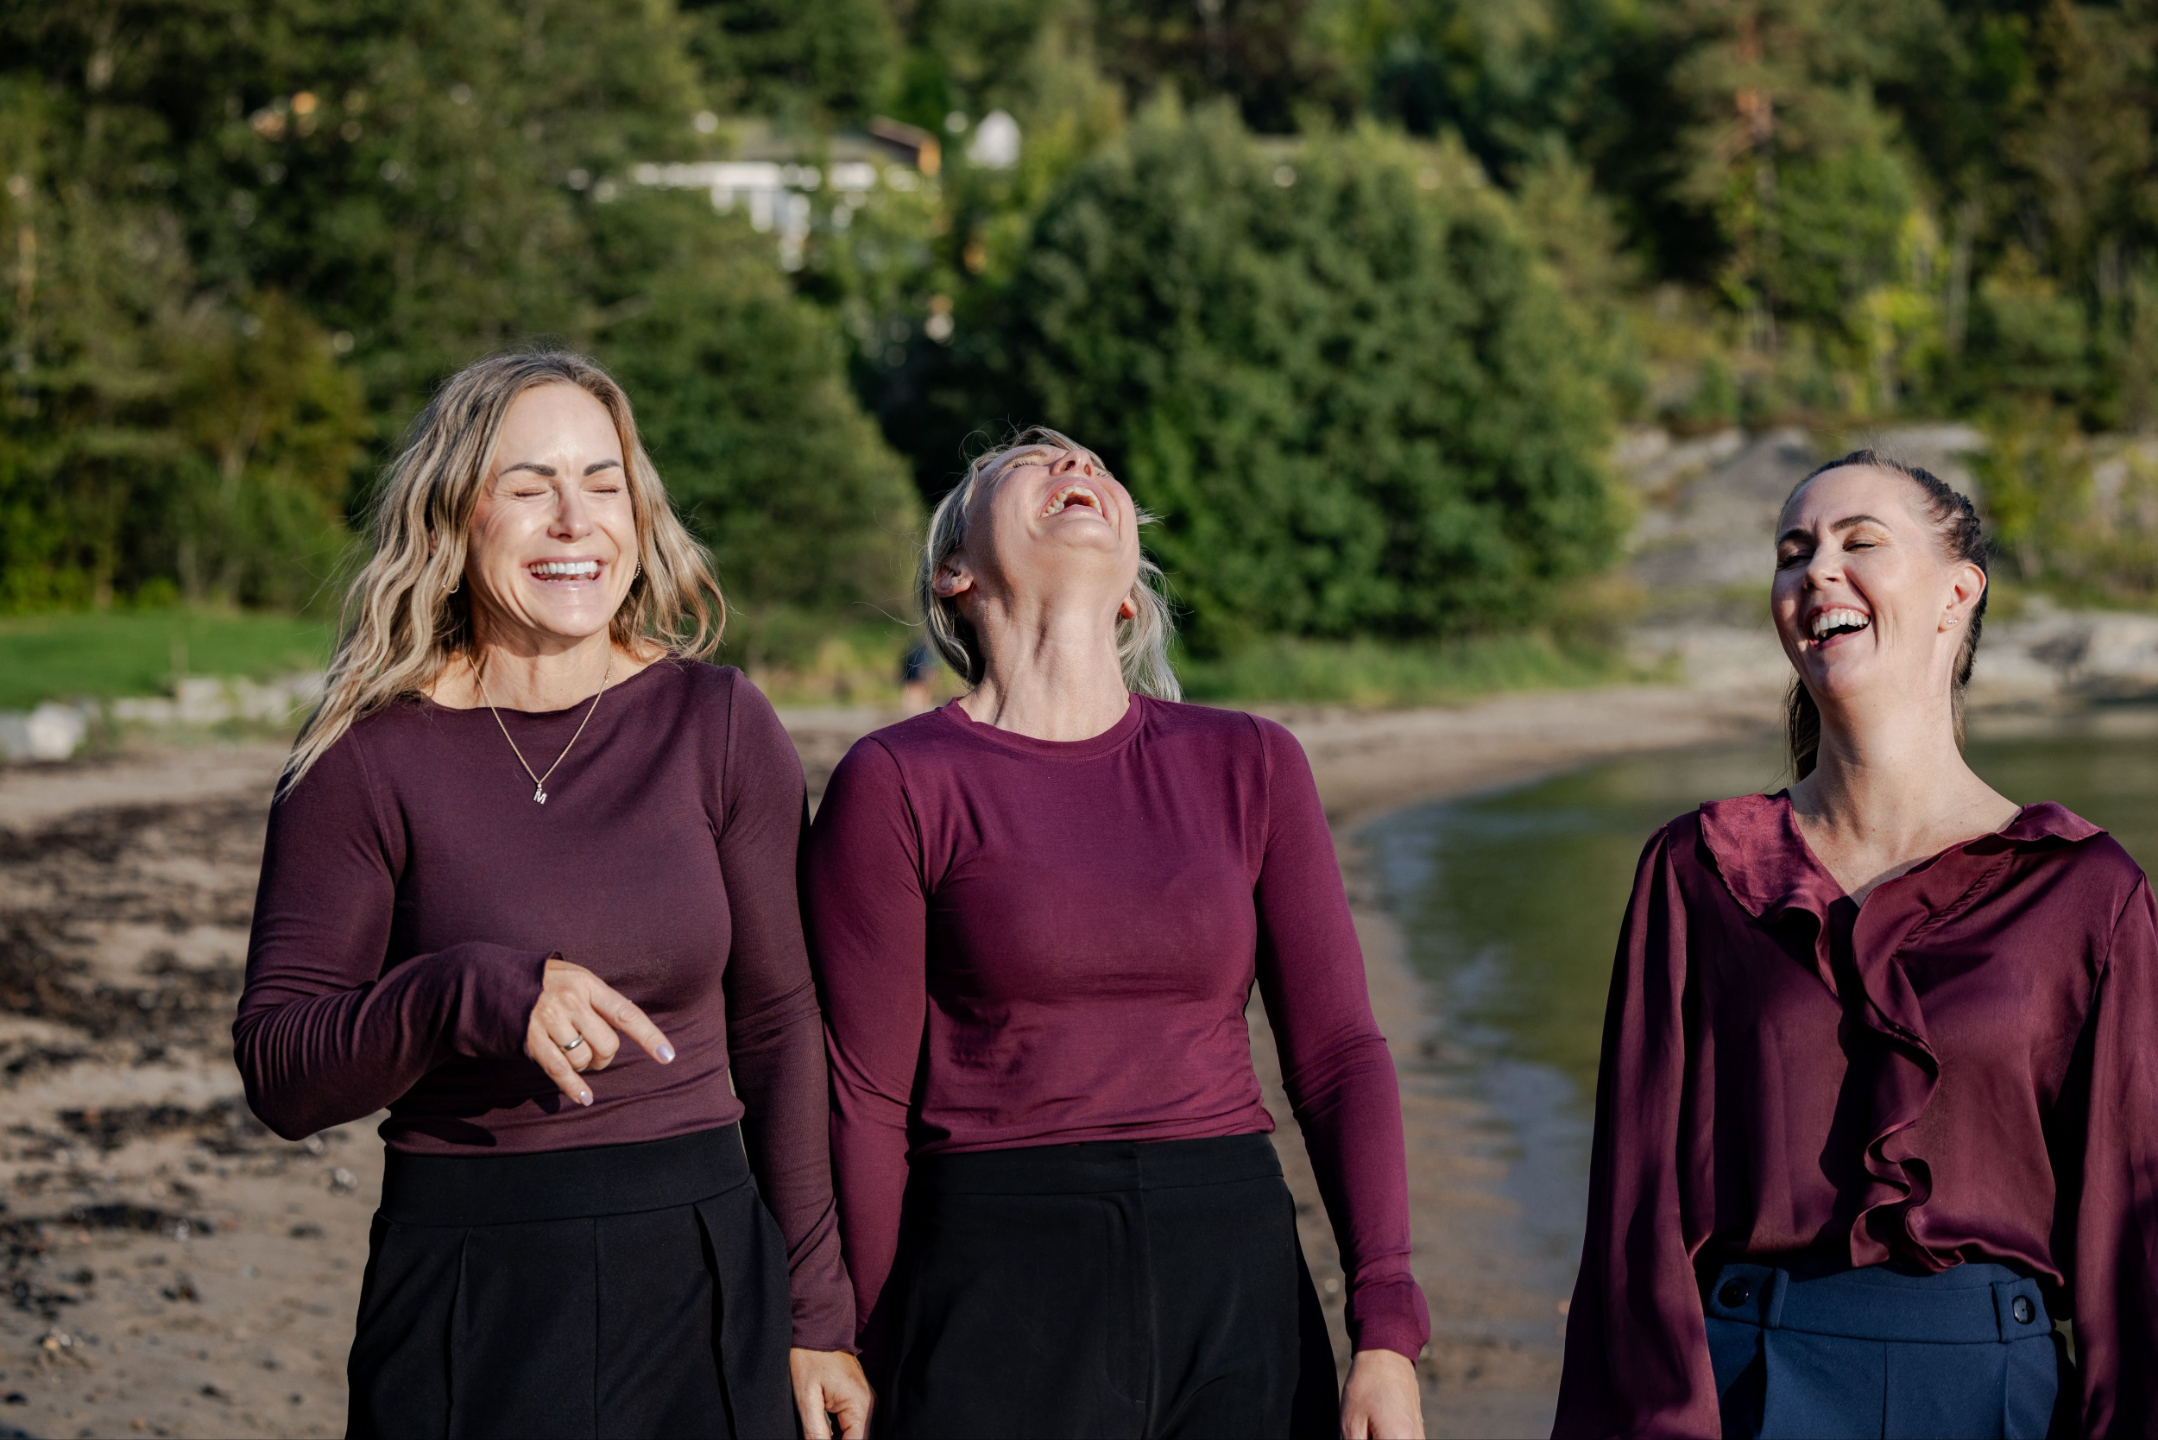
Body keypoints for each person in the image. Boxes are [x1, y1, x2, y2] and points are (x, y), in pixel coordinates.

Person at [234, 350, 872, 1440]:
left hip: (702, 1269)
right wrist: (463, 993)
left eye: (603, 483)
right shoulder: (364, 757)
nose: (575, 520)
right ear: (454, 515)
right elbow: (281, 1073)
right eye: (528, 486)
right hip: (467, 1284)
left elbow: (779, 1025)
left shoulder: (718, 723)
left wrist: (817, 1313)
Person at [803, 428, 1428, 1439]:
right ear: (955, 571)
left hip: (1234, 1271)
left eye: (1097, 466)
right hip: (995, 1274)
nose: (1077, 467)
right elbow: (863, 1100)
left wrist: (1386, 1329)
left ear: (1131, 589)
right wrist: (866, 1335)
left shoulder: (1251, 762)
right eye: (1027, 463)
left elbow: (1337, 1057)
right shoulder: (898, 780)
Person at [1554, 452, 2158, 1439]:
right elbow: (1637, 1216)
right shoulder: (1698, 869)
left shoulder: (2086, 890)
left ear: (1957, 593)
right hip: (1753, 1380)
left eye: (1858, 542)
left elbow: (2132, 1245)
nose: (1815, 571)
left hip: (1997, 1395)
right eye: (1792, 553)